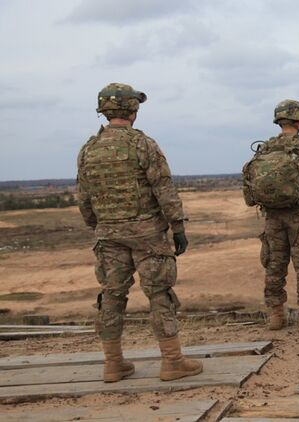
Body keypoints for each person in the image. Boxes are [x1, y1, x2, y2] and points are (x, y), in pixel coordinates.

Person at [77, 83, 202, 382]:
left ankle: (113, 364)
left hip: (108, 236)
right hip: (148, 236)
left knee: (111, 296)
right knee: (159, 294)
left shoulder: (89, 149)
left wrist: (101, 226)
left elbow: (84, 198)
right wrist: (178, 226)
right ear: (132, 110)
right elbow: (163, 188)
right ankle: (172, 361)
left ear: (105, 111)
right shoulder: (143, 144)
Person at [242, 100, 299, 333]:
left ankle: (276, 316)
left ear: (279, 121)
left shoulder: (265, 148)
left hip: (272, 217)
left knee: (274, 265)